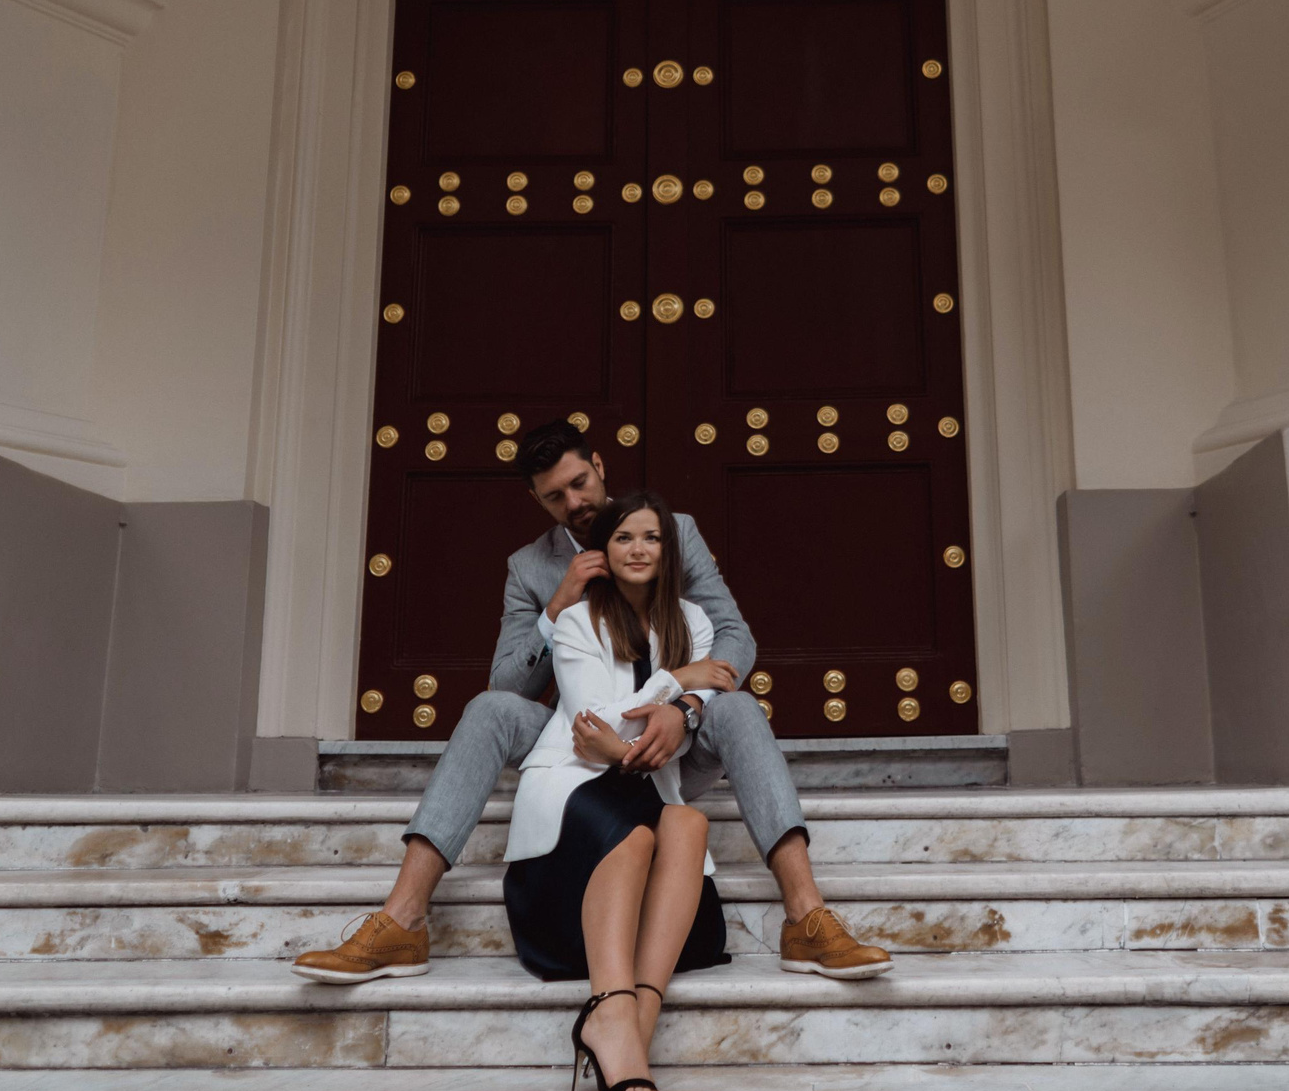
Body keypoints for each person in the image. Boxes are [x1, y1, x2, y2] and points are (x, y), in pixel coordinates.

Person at [292, 418, 891, 987]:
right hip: (579, 741)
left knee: (738, 708)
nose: (574, 501)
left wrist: (683, 706)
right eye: (555, 496)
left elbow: (735, 639)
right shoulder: (530, 567)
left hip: (676, 741)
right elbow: (509, 684)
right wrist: (555, 608)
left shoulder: (671, 530)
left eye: (580, 482)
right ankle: (403, 920)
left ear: (600, 466)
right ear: (539, 501)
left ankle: (805, 918)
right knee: (487, 710)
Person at [508, 490, 725, 1091]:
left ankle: (630, 1025)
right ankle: (610, 1004)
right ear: (605, 550)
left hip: (641, 782)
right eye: (625, 537)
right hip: (569, 787)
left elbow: (663, 744)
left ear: (668, 549)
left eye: (651, 537)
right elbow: (589, 725)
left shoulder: (695, 622)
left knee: (685, 822)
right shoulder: (578, 620)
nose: (638, 549)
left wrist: (648, 731)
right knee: (633, 835)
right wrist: (679, 683)